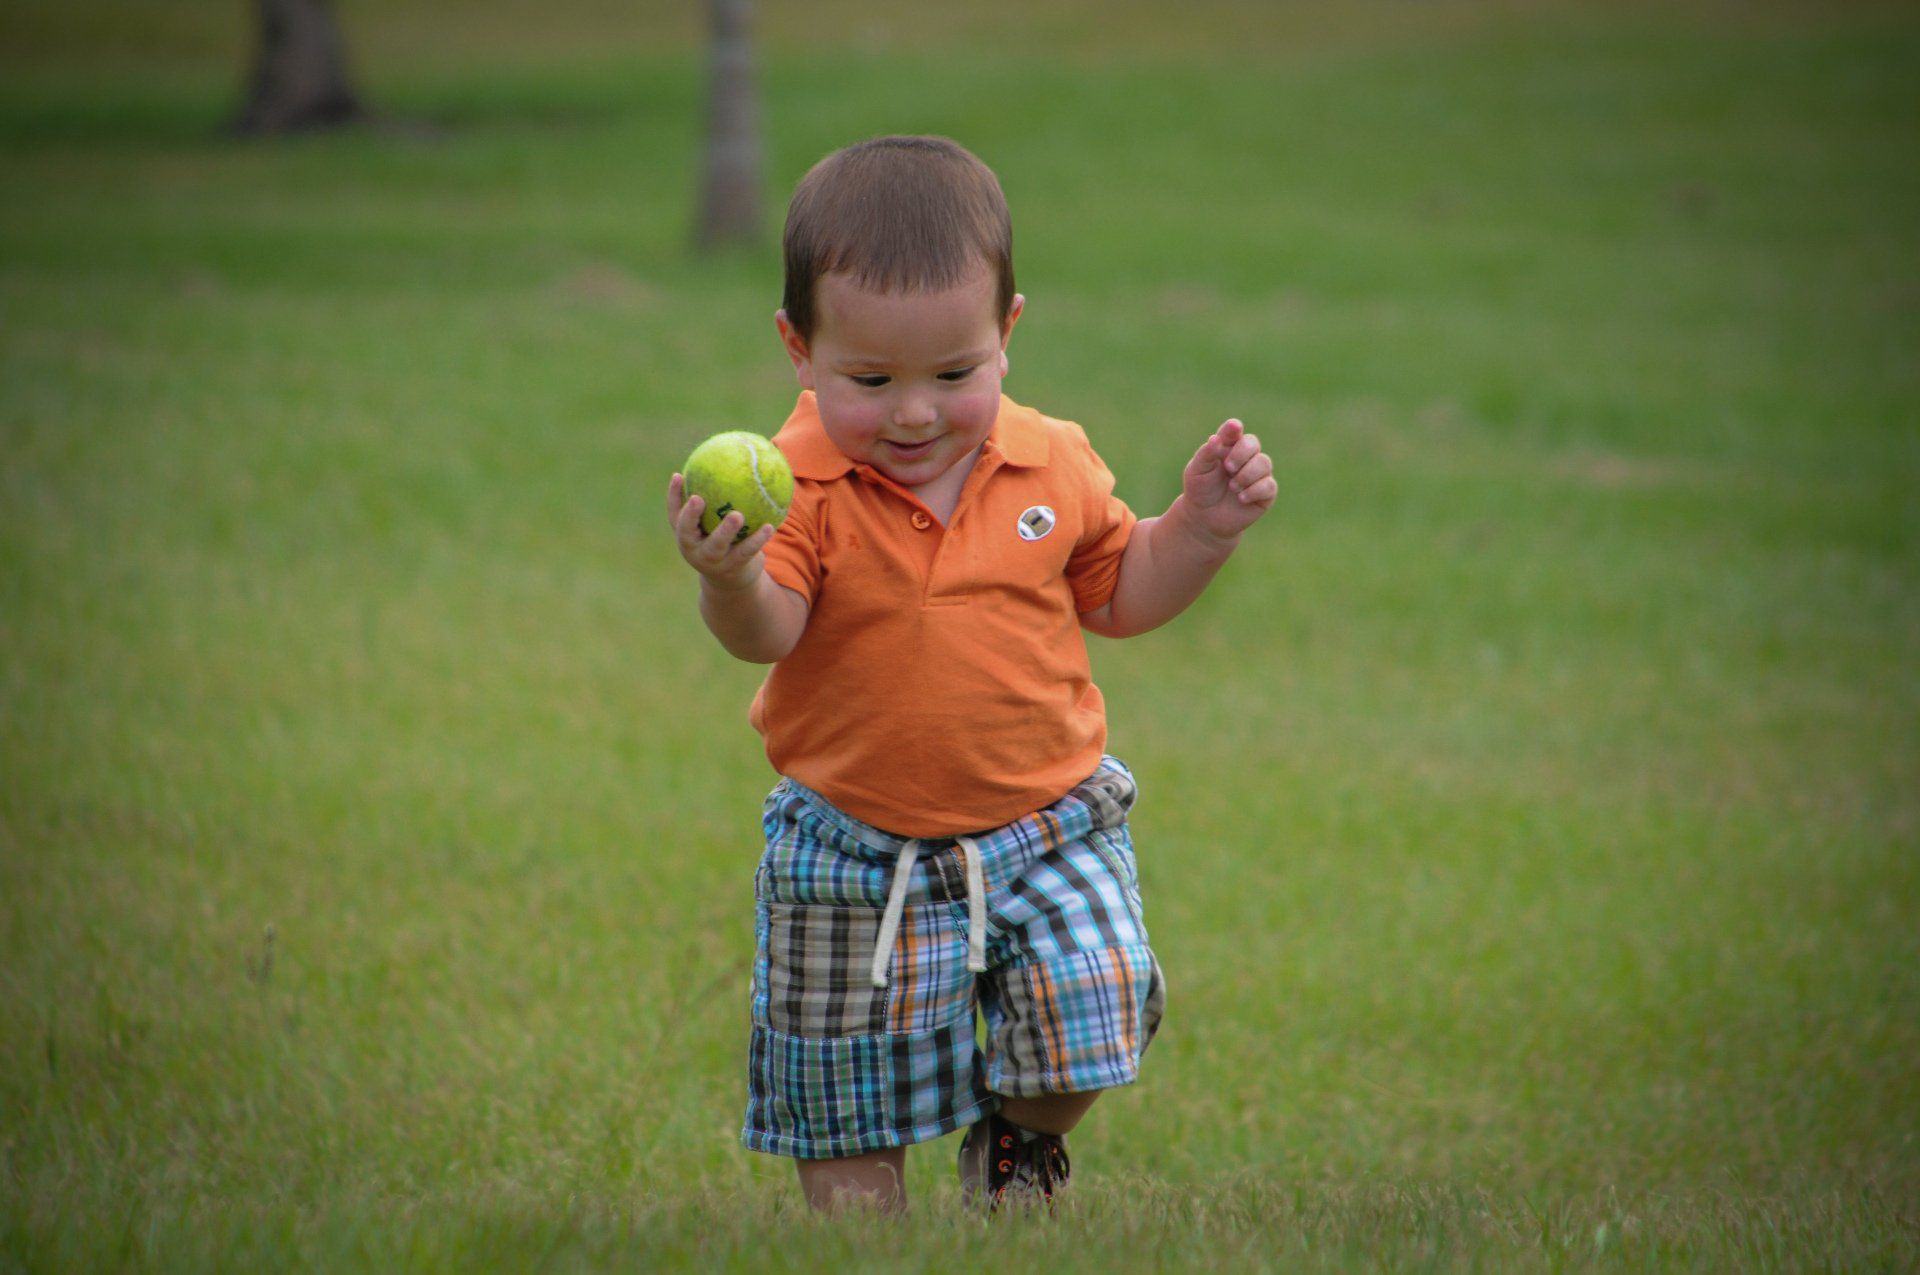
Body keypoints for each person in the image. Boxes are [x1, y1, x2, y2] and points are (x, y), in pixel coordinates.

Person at [666, 135, 1276, 1214]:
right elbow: (769, 631)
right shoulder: (796, 485)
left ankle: (1017, 1150)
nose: (914, 412)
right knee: (847, 1116)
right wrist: (731, 577)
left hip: (1047, 825)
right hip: (854, 847)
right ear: (799, 349)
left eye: (954, 375)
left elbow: (1120, 593)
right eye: (870, 380)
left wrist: (1199, 530)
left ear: (1008, 334)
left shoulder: (1052, 459)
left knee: (1092, 1011)